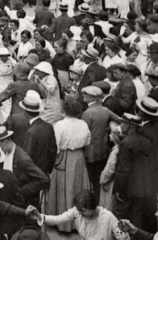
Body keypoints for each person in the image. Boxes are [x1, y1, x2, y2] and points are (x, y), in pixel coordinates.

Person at [44, 95, 92, 232]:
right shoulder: (83, 124)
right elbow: (88, 140)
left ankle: (64, 224)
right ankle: (79, 222)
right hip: (79, 157)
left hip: (64, 156)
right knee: (79, 187)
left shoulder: (60, 125)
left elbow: (56, 145)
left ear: (64, 110)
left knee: (65, 188)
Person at [32, 188, 126, 239]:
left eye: (83, 211)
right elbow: (59, 219)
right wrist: (40, 216)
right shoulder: (77, 211)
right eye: (79, 211)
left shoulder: (108, 218)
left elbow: (124, 238)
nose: (80, 214)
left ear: (92, 207)